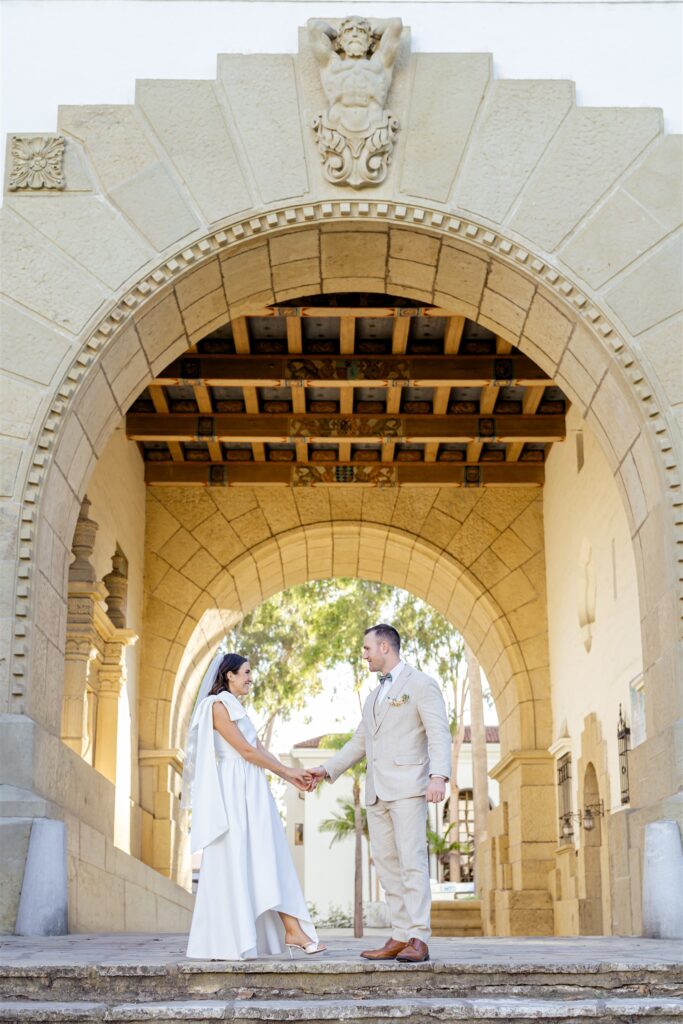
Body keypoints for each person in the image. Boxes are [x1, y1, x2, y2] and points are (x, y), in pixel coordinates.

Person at [308, 624, 451, 964]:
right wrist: (326, 769)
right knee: (387, 867)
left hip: (408, 788)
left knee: (412, 863)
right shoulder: (374, 696)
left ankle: (419, 935)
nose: (364, 654)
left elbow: (438, 731)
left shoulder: (420, 684)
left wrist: (439, 776)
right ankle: (400, 936)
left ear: (385, 647)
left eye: (367, 648)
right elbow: (360, 742)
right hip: (376, 793)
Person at [184, 652, 326, 960]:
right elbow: (246, 751)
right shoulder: (216, 705)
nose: (250, 678)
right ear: (229, 675)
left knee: (267, 853)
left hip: (252, 789)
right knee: (243, 858)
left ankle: (291, 928)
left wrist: (291, 777)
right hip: (234, 793)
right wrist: (287, 772)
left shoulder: (237, 708)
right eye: (246, 672)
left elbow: (259, 748)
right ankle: (279, 930)